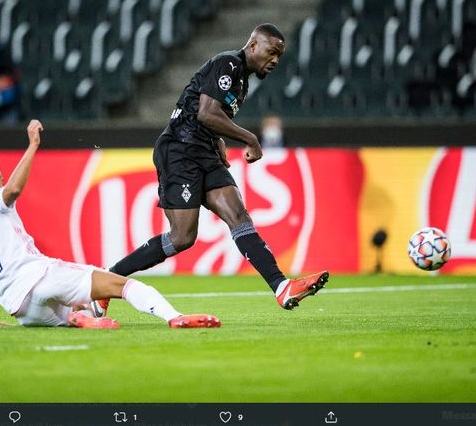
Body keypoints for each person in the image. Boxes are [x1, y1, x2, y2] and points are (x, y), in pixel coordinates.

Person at [96, 24, 328, 317]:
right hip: (179, 149)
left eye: (280, 55)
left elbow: (204, 111)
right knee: (182, 238)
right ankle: (105, 280)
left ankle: (281, 287)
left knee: (239, 216)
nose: (276, 61)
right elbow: (206, 112)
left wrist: (218, 138)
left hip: (203, 150)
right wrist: (250, 138)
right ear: (253, 45)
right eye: (272, 52)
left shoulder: (241, 80)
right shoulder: (228, 63)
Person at [0, 119, 220, 329]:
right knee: (124, 286)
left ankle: (80, 317)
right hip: (38, 276)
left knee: (82, 310)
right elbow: (14, 190)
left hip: (21, 310)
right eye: (1, 180)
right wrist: (33, 145)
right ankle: (174, 317)